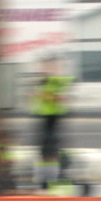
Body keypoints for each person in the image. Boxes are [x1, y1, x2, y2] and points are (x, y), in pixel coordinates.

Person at [31, 60, 74, 188]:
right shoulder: (43, 82)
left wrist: (49, 95)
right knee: (45, 144)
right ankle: (46, 174)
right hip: (44, 114)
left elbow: (61, 94)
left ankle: (53, 174)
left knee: (51, 143)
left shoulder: (55, 81)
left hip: (53, 115)